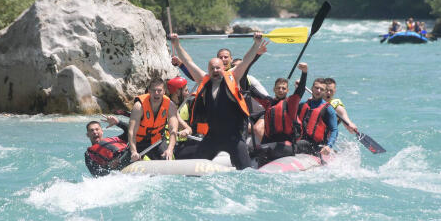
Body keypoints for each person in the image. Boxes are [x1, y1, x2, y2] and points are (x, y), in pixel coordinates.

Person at [172, 33, 267, 169]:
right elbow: (188, 62)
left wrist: (256, 44)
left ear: (224, 68)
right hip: (213, 137)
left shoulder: (234, 76)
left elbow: (246, 60)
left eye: (218, 68)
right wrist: (177, 45)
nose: (215, 71)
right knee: (193, 172)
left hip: (234, 138)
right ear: (208, 70)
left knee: (246, 172)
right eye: (212, 69)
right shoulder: (204, 80)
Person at [250, 63, 309, 166]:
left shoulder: (291, 102)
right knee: (253, 150)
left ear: (287, 90)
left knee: (263, 150)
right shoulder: (268, 102)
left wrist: (304, 72)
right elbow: (252, 91)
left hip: (287, 144)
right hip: (270, 142)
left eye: (283, 88)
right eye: (278, 88)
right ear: (274, 89)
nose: (281, 90)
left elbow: (300, 90)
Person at [128, 78, 179, 161]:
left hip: (157, 142)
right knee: (129, 162)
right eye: (153, 90)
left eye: (159, 90)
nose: (156, 93)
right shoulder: (139, 106)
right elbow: (131, 132)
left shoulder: (170, 106)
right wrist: (133, 151)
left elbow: (173, 129)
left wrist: (170, 149)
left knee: (167, 158)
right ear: (149, 91)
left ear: (164, 91)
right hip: (138, 143)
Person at [296, 78, 338, 156]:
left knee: (297, 145)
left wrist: (329, 146)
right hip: (300, 141)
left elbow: (334, 130)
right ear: (312, 88)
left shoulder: (328, 109)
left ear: (325, 92)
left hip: (316, 147)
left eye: (321, 89)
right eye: (316, 88)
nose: (318, 91)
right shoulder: (302, 105)